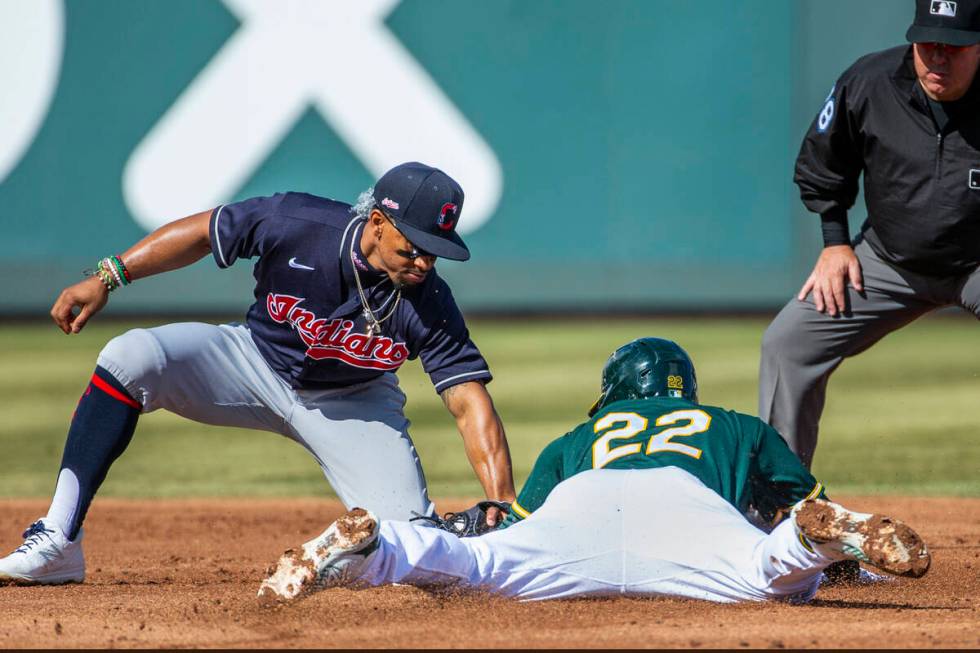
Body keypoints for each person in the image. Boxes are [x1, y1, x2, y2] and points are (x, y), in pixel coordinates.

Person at [0, 162, 516, 585]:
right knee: (129, 356)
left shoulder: (430, 299)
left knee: (415, 545)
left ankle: (343, 561)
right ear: (378, 223)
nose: (425, 263)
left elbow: (468, 399)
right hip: (252, 363)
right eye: (415, 247)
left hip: (355, 403)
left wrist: (502, 498)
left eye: (436, 251)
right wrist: (108, 277)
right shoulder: (299, 223)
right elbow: (203, 233)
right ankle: (57, 543)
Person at [257, 338, 930, 605]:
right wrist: (842, 557)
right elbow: (804, 493)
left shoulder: (580, 435)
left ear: (613, 394)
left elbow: (509, 526)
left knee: (478, 566)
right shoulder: (735, 425)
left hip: (581, 505)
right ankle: (815, 539)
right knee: (768, 575)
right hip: (689, 515)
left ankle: (378, 547)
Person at [759, 0, 980, 468]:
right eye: (928, 44)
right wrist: (835, 242)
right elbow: (822, 162)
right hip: (888, 262)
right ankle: (779, 498)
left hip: (975, 264)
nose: (938, 57)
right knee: (788, 344)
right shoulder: (870, 82)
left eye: (954, 46)